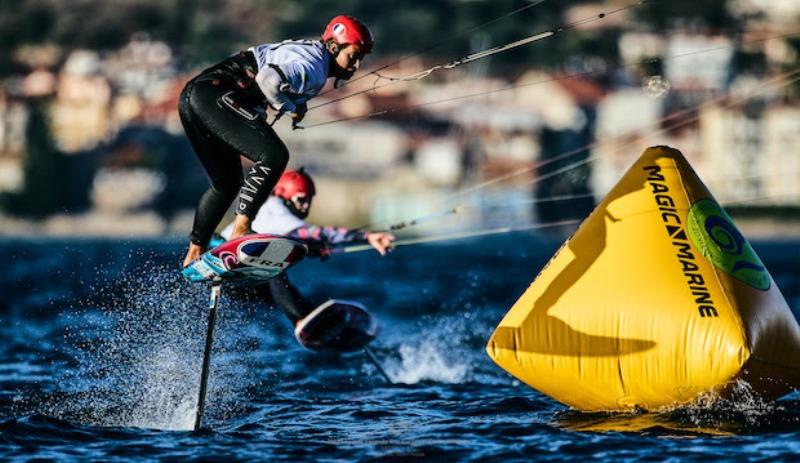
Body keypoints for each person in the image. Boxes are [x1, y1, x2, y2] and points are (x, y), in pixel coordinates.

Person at [179, 15, 374, 268]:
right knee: (274, 155)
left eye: (361, 58)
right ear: (334, 46)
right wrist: (291, 107)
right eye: (353, 56)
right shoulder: (314, 67)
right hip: (213, 96)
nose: (356, 65)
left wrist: (292, 104)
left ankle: (195, 252)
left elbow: (265, 81)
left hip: (193, 97)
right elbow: (267, 80)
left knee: (227, 183)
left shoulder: (312, 58)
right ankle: (242, 230)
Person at [219, 168, 395, 325]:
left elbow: (293, 241)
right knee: (274, 268)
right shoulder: (275, 208)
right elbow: (314, 233)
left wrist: (312, 249)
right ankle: (302, 319)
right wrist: (366, 236)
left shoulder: (275, 214)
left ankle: (316, 322)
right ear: (282, 195)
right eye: (301, 200)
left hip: (240, 273)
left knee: (287, 293)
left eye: (309, 200)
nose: (306, 206)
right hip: (222, 257)